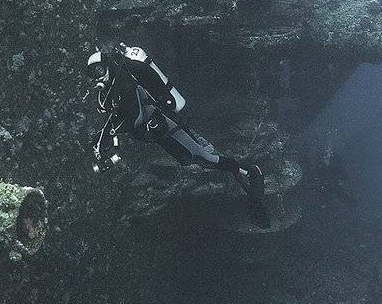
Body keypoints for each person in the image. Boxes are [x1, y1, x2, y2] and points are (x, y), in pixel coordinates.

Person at [87, 43, 268, 225]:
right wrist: (104, 135)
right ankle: (242, 174)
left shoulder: (125, 83)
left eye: (100, 70)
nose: (98, 76)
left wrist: (109, 133)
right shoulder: (113, 89)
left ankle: (251, 171)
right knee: (192, 159)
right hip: (158, 132)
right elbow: (119, 116)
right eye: (94, 73)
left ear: (108, 66)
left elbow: (136, 117)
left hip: (166, 124)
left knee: (202, 156)